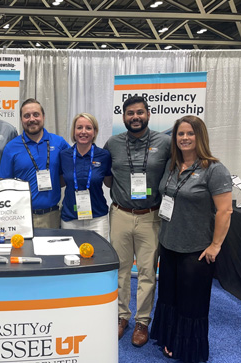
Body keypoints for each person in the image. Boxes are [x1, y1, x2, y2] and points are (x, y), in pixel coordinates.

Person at [151, 116, 232, 362]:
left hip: (195, 250)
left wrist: (216, 245)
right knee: (169, 296)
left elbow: (225, 210)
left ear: (200, 136)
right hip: (169, 244)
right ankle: (170, 337)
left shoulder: (214, 169)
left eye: (190, 133)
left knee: (191, 304)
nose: (184, 138)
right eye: (180, 134)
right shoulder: (172, 166)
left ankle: (187, 347)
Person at [104, 96, 170, 347]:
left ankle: (143, 321)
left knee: (147, 272)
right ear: (123, 117)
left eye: (139, 113)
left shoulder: (164, 143)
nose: (135, 117)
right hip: (120, 214)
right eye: (130, 113)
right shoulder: (113, 143)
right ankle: (122, 317)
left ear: (148, 115)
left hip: (150, 216)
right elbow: (108, 177)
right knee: (120, 270)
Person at [0, 98, 69, 228]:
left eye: (36, 114)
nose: (32, 119)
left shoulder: (59, 143)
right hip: (21, 217)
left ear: (43, 117)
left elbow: (69, 172)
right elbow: (4, 184)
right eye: (26, 116)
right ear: (21, 120)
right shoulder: (11, 147)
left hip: (52, 216)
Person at [60, 113, 112, 239]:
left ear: (94, 132)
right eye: (79, 128)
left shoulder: (104, 155)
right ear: (74, 131)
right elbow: (61, 182)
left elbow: (109, 183)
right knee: (71, 257)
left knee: (100, 257)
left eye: (88, 128)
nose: (83, 132)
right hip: (70, 219)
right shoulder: (64, 155)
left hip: (97, 218)